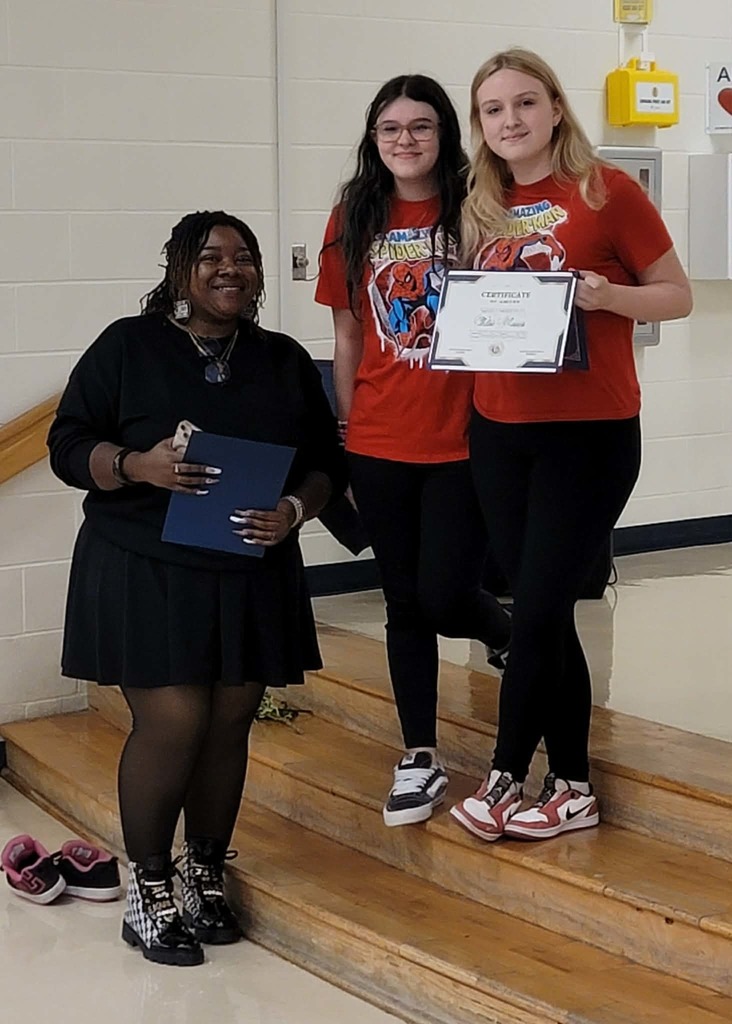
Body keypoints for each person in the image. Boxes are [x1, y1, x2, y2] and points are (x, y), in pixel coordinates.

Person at [47, 211, 345, 965]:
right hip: (143, 559)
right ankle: (148, 887)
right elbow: (66, 444)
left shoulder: (279, 359)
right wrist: (131, 465)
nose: (229, 268)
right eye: (210, 256)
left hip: (250, 564)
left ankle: (203, 871)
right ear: (179, 269)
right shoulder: (129, 345)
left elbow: (325, 463)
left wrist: (295, 509)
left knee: (230, 721)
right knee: (175, 720)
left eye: (243, 257)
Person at [450, 49, 693, 842]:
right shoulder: (478, 201)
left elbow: (678, 294)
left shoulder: (606, 191)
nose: (510, 120)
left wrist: (606, 295)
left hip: (588, 437)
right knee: (544, 613)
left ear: (556, 108)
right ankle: (576, 785)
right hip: (499, 431)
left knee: (541, 609)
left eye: (525, 103)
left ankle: (504, 776)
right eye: (493, 109)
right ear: (480, 124)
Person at [316, 75, 512, 829]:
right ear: (374, 137)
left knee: (442, 592)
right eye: (390, 128)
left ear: (445, 134)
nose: (405, 140)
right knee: (403, 601)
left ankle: (502, 632)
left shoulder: (477, 206)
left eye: (420, 126)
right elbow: (348, 335)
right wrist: (348, 426)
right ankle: (421, 754)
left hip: (467, 435)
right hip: (381, 438)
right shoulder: (354, 216)